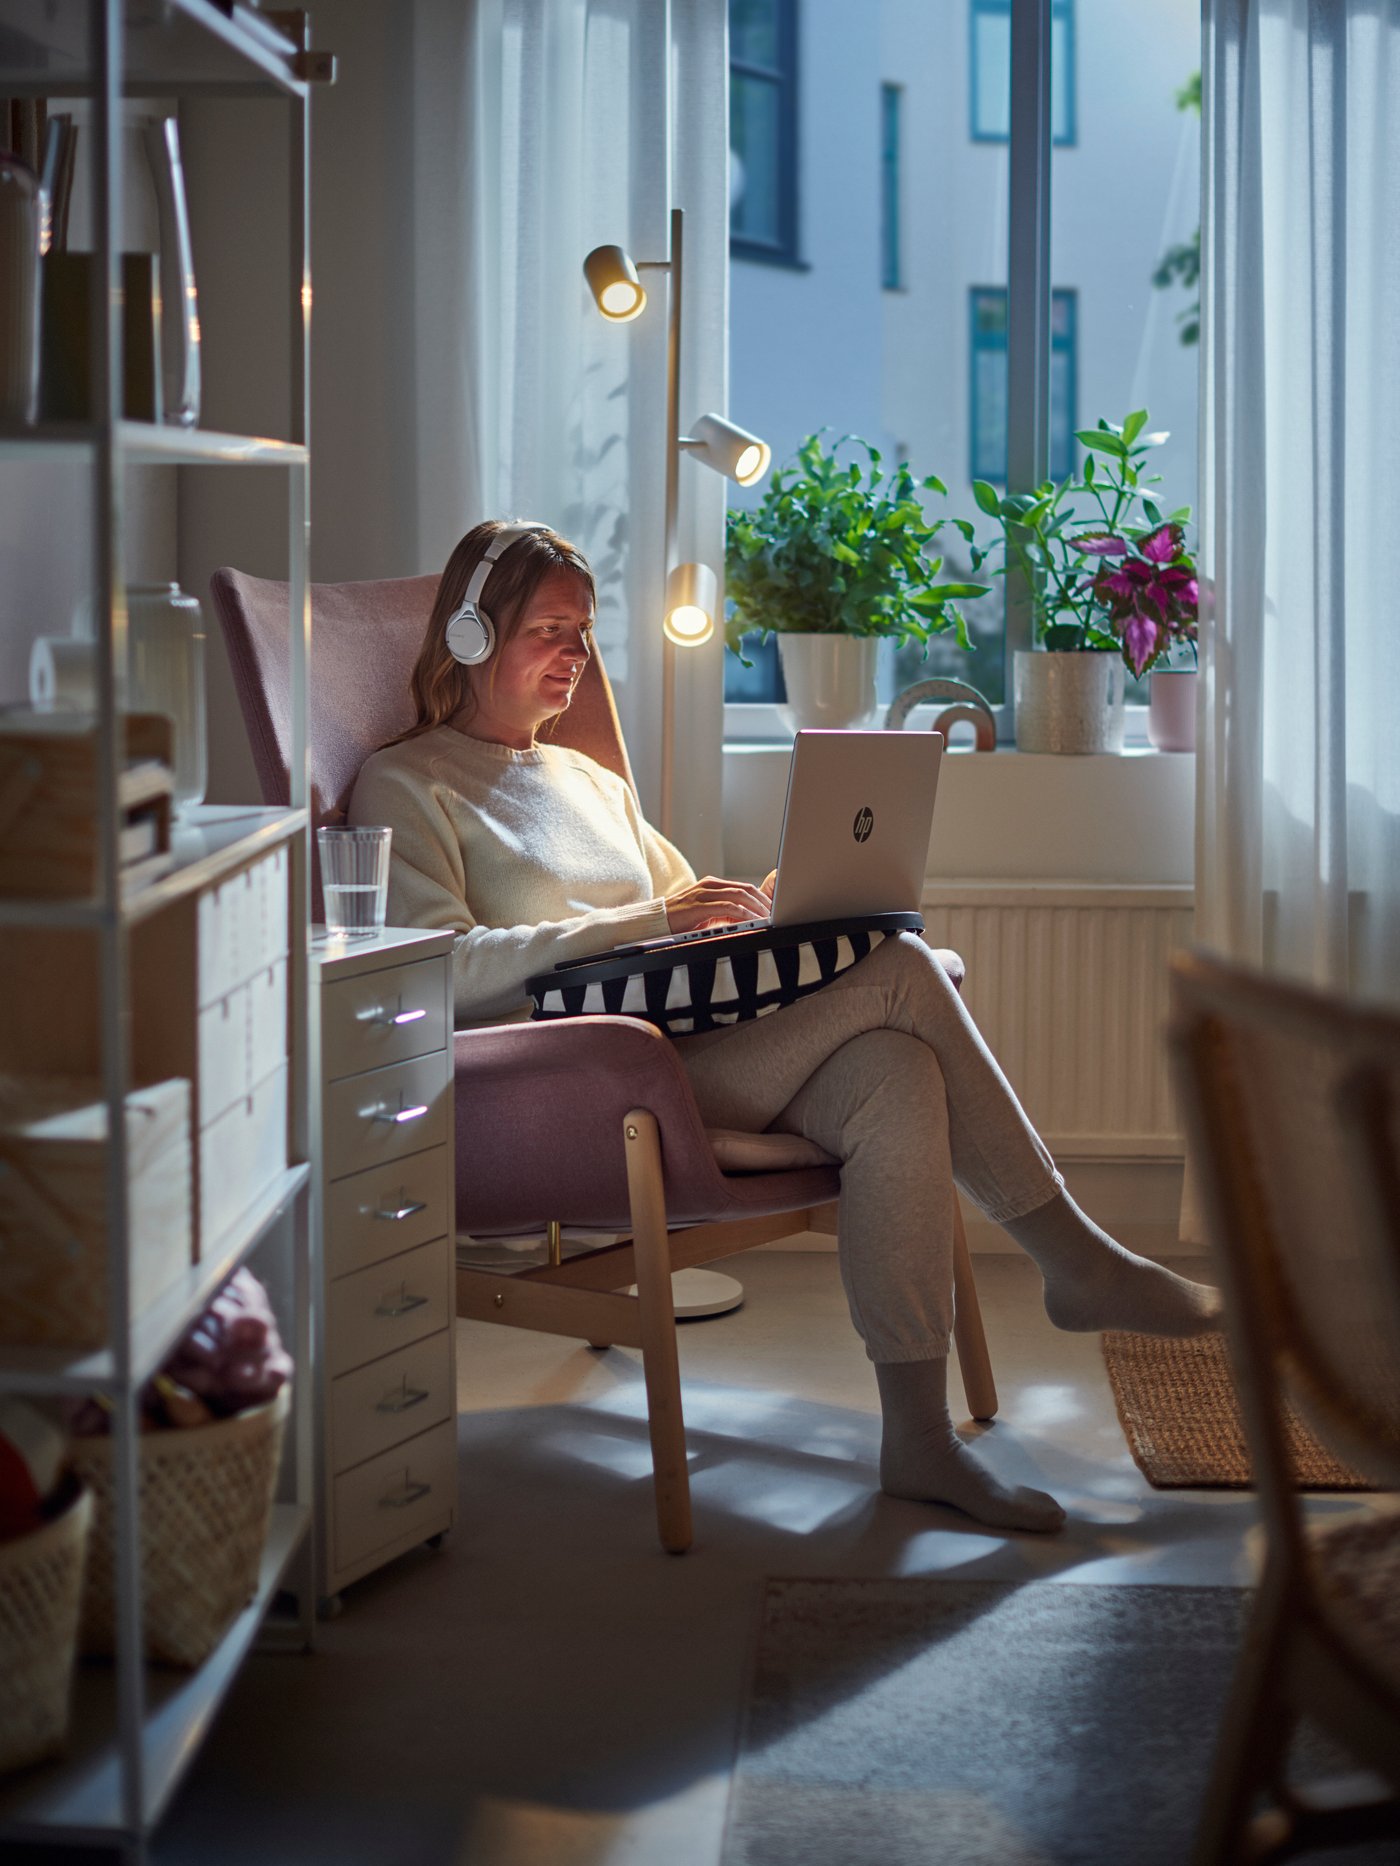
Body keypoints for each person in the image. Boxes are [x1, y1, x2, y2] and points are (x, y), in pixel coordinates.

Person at [348, 519, 1220, 1535]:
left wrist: (765, 911)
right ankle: (1073, 1259)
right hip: (579, 1088)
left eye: (583, 634)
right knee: (897, 969)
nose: (576, 658)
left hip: (692, 1053)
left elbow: (684, 913)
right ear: (467, 636)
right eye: (551, 630)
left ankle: (917, 1444)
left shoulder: (587, 782)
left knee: (896, 1068)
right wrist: (651, 919)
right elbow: (434, 972)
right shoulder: (405, 785)